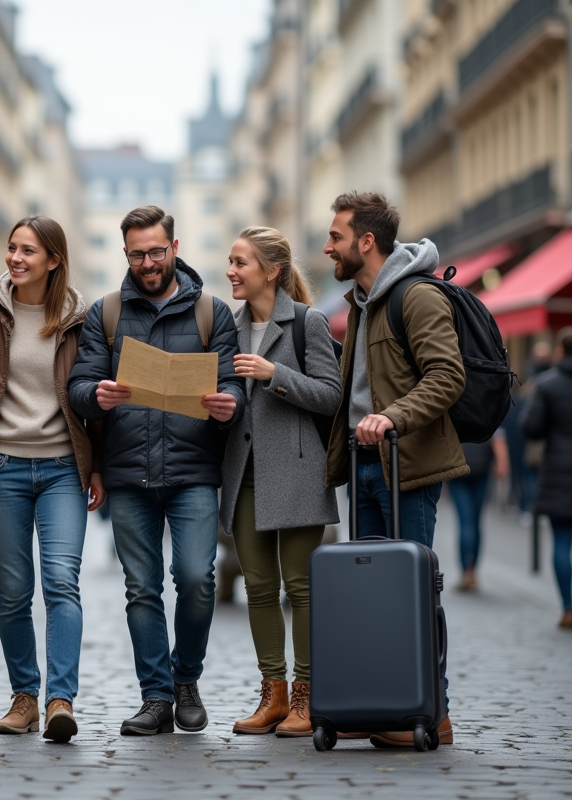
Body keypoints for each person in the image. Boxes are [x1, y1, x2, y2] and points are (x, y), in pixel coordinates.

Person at [67, 205, 245, 736]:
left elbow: (233, 384)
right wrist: (96, 395)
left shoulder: (212, 312)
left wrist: (230, 403)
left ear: (175, 247)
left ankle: (185, 678)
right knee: (141, 588)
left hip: (193, 471)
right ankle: (156, 697)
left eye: (156, 252)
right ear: (125, 253)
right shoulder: (106, 313)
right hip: (128, 473)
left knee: (196, 579)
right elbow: (79, 385)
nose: (147, 263)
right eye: (137, 254)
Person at [0, 215, 105, 743]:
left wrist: (97, 465)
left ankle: (61, 700)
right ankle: (24, 698)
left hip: (62, 468)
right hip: (0, 470)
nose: (15, 257)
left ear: (54, 260)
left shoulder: (81, 319)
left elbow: (94, 396)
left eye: (28, 250)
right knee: (13, 591)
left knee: (62, 581)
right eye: (12, 247)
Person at [322, 191, 466, 748]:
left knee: (413, 593)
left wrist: (391, 418)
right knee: (371, 597)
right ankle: (381, 704)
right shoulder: (362, 302)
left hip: (406, 465)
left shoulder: (416, 296)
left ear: (366, 241)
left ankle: (434, 715)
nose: (328, 247)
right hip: (365, 464)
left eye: (336, 237)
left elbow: (446, 376)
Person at [219, 228, 341, 737]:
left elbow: (332, 396)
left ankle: (305, 697)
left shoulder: (307, 322)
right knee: (259, 587)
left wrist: (275, 375)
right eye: (230, 261)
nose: (230, 271)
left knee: (302, 588)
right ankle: (273, 695)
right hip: (242, 472)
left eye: (240, 262)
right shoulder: (226, 326)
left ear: (271, 271)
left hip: (297, 470)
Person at [521, 327, 572, 629]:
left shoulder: (546, 384)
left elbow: (531, 428)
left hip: (557, 470)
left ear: (559, 351)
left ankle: (567, 609)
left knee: (561, 540)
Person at [446, 435, 508, 592]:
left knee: (465, 522)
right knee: (475, 521)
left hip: (457, 466)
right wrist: (502, 462)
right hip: (481, 467)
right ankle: (472, 571)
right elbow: (498, 436)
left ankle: (466, 571)